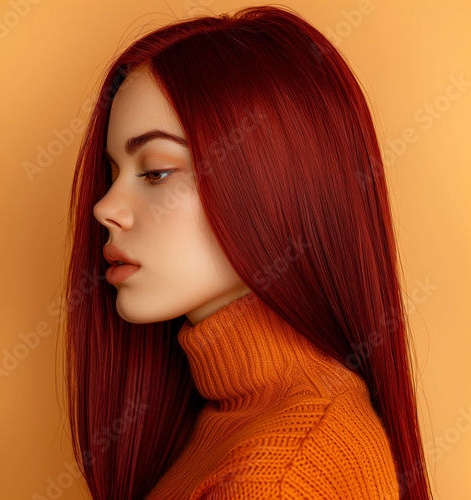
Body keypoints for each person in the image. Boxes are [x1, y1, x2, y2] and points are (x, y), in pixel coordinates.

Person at [63, 5, 433, 499]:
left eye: (155, 172)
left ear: (272, 184)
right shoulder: (228, 423)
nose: (105, 208)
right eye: (113, 173)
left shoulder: (282, 474)